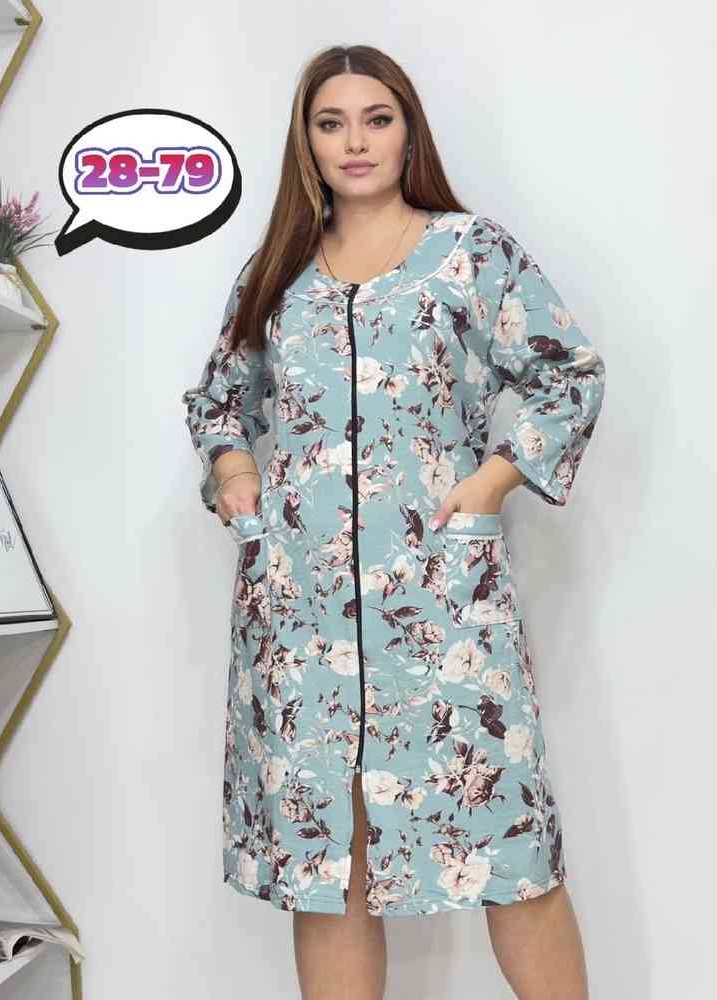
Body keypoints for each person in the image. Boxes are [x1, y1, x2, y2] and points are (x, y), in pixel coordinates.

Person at [181, 43, 605, 1000]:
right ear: (307, 143)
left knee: (510, 846)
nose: (356, 141)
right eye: (331, 123)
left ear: (408, 130)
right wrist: (235, 468)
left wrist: (492, 481)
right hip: (300, 617)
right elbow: (219, 398)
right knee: (332, 864)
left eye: (376, 118)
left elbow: (568, 372)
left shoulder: (472, 253)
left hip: (443, 604)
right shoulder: (275, 271)